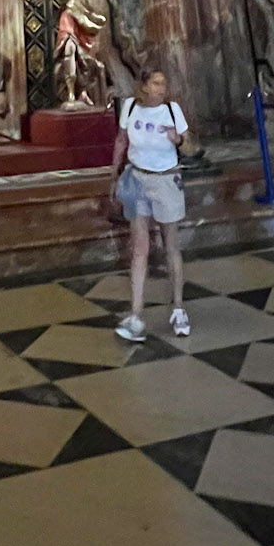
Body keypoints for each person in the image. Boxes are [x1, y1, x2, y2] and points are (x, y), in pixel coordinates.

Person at [109, 61, 192, 340]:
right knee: (139, 249)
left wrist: (177, 139)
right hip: (137, 179)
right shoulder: (130, 107)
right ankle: (136, 315)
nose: (161, 88)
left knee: (171, 245)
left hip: (165, 180)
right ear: (144, 86)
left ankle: (178, 307)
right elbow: (121, 140)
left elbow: (190, 145)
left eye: (163, 83)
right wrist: (113, 175)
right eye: (156, 83)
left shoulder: (172, 110)